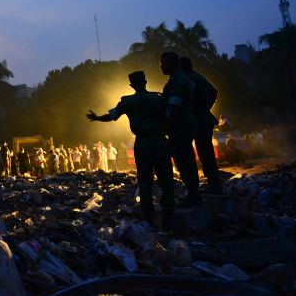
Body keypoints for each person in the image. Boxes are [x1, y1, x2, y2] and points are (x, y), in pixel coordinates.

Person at [87, 70, 175, 229]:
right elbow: (170, 117)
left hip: (142, 143)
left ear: (132, 85)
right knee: (166, 177)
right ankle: (169, 212)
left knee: (145, 179)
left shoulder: (127, 102)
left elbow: (111, 116)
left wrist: (96, 118)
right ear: (145, 82)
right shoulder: (158, 98)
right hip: (160, 141)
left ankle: (148, 216)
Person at [160, 51, 201, 207]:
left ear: (173, 64)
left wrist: (166, 126)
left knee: (184, 159)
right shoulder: (179, 78)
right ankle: (193, 192)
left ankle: (193, 194)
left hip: (180, 126)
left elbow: (174, 107)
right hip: (183, 124)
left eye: (163, 63)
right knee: (185, 158)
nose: (161, 67)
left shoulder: (177, 81)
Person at [180, 56, 222, 194]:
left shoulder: (188, 78)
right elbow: (213, 92)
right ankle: (212, 182)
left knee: (204, 152)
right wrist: (205, 108)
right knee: (205, 152)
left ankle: (212, 184)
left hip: (198, 120)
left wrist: (200, 109)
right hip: (201, 119)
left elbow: (212, 93)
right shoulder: (197, 77)